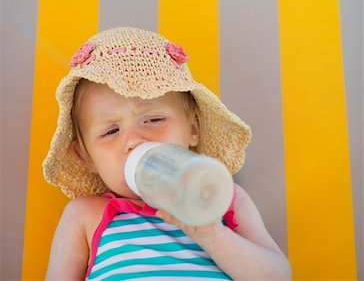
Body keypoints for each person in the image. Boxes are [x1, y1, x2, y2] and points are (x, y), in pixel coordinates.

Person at [43, 26, 292, 281]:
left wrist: (210, 233)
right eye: (111, 131)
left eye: (153, 119)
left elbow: (278, 276)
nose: (134, 140)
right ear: (86, 158)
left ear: (193, 129)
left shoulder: (223, 197)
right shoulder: (85, 215)